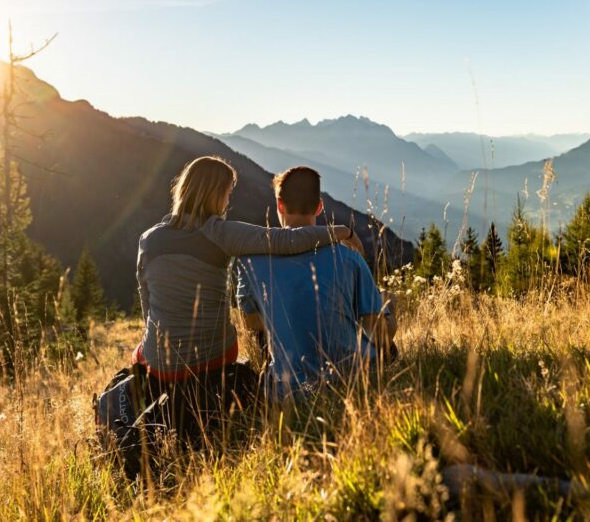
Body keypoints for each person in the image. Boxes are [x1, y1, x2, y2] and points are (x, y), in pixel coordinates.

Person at [134, 156, 363, 444]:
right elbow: (285, 241)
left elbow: (146, 303)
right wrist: (343, 231)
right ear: (216, 195)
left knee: (139, 352)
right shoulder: (219, 232)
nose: (227, 203)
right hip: (215, 357)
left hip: (159, 362)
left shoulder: (148, 239)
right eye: (227, 194)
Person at [235, 166, 397, 404]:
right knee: (389, 341)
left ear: (280, 205)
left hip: (286, 394)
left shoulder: (251, 262)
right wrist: (390, 310)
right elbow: (380, 334)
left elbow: (251, 323)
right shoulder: (349, 257)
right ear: (320, 206)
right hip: (352, 384)